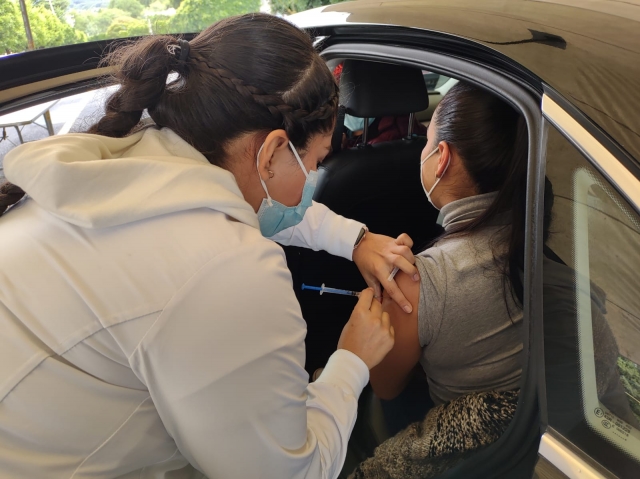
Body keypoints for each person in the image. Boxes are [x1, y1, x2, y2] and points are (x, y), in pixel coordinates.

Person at [0, 14, 421, 479]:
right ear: (273, 149)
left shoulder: (135, 159)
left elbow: (257, 200)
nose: (313, 183)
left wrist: (356, 240)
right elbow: (288, 472)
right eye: (317, 162)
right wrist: (351, 361)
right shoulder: (226, 269)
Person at [370, 80, 527, 410]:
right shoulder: (541, 241)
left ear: (442, 158)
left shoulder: (417, 281)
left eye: (427, 140)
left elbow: (383, 386)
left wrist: (374, 309)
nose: (421, 150)